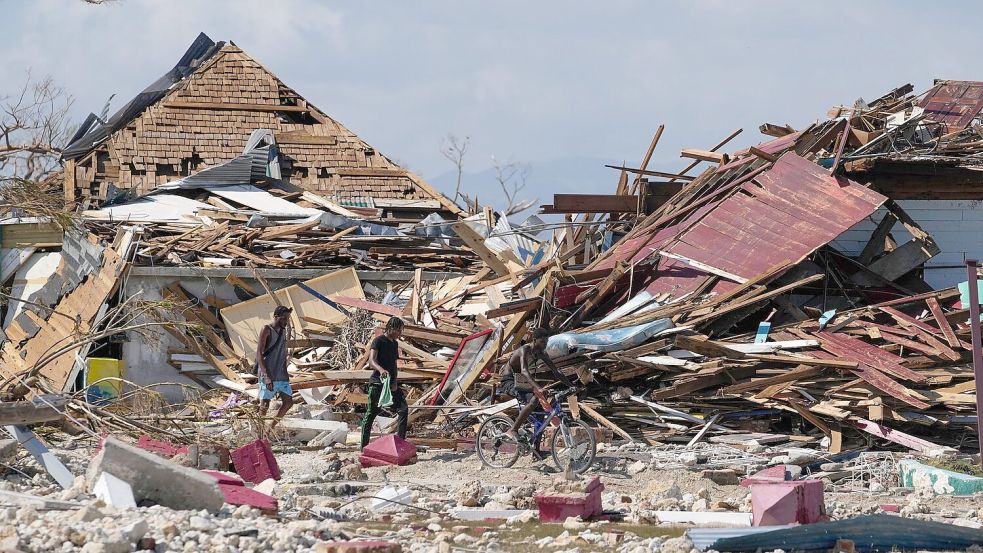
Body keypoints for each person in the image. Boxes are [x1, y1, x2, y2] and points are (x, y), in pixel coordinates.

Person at [500, 328, 576, 439]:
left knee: (540, 412)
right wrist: (538, 388)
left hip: (522, 382)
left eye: (546, 342)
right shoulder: (524, 350)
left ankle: (536, 449)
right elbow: (524, 371)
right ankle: (513, 429)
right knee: (535, 399)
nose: (545, 345)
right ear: (534, 340)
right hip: (509, 381)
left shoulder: (541, 353)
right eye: (542, 342)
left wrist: (571, 386)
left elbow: (556, 371)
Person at [360, 316, 409, 449]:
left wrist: (395, 382)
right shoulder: (378, 341)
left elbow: (394, 364)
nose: (400, 333)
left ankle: (400, 444)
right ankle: (364, 447)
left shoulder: (394, 344)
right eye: (399, 330)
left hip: (390, 384)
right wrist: (381, 370)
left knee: (403, 410)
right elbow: (371, 361)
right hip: (377, 383)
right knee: (371, 413)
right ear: (391, 328)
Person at [257, 305, 294, 430]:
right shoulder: (266, 329)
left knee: (288, 402)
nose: (286, 321)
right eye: (284, 318)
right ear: (276, 317)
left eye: (287, 319)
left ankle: (270, 428)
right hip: (269, 374)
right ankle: (260, 432)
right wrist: (266, 376)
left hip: (281, 373)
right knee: (265, 404)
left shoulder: (283, 330)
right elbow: (259, 354)